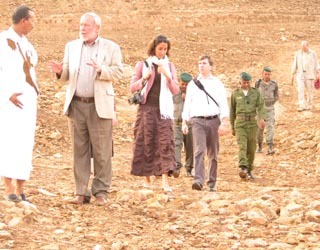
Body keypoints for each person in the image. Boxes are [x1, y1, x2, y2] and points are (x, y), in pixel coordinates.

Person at [49, 12, 123, 206]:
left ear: (97, 28)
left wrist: (101, 70)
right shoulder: (71, 47)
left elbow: (119, 71)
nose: (82, 28)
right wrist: (59, 72)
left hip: (99, 106)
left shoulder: (111, 47)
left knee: (102, 151)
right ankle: (81, 192)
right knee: (79, 150)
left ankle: (101, 192)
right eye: (81, 25)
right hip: (76, 104)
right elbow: (66, 74)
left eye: (87, 25)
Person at [130, 35, 179, 193]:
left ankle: (165, 181)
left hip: (163, 111)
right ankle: (147, 179)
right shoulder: (143, 64)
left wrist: (167, 76)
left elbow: (176, 90)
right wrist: (144, 79)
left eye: (165, 49)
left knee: (165, 143)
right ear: (154, 48)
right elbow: (133, 87)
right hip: (146, 109)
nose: (162, 52)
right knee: (146, 141)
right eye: (160, 49)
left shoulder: (169, 66)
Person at [0, 6, 39, 202]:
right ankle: (8, 188)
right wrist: (6, 94)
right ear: (23, 20)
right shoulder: (1, 41)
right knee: (9, 141)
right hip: (9, 101)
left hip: (28, 100)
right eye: (32, 20)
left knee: (25, 142)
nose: (34, 24)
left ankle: (21, 186)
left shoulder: (28, 45)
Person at [182, 55, 229, 192]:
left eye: (204, 63)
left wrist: (224, 122)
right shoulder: (193, 84)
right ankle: (198, 180)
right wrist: (185, 121)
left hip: (214, 120)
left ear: (211, 66)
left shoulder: (217, 83)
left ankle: (212, 182)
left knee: (213, 153)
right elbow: (188, 104)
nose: (201, 65)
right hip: (197, 121)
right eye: (199, 63)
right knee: (199, 150)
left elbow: (222, 103)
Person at [230, 72, 266, 180]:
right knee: (242, 146)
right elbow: (232, 111)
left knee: (251, 148)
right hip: (240, 123)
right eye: (244, 82)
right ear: (240, 82)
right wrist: (232, 126)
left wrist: (261, 118)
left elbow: (260, 106)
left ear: (250, 82)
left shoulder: (256, 93)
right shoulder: (235, 94)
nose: (245, 84)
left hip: (252, 123)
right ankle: (243, 167)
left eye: (247, 82)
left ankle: (249, 170)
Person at [173, 72, 194, 177]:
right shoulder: (173, 93)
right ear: (179, 82)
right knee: (176, 145)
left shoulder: (194, 95)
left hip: (190, 125)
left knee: (190, 147)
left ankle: (189, 169)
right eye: (183, 84)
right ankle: (177, 167)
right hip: (177, 124)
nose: (184, 87)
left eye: (187, 85)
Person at [255, 66, 279, 155]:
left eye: (268, 74)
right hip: (260, 109)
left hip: (270, 108)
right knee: (259, 128)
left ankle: (270, 145)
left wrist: (272, 101)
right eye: (265, 74)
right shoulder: (258, 83)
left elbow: (277, 95)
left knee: (270, 126)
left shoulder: (274, 84)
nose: (267, 76)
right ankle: (260, 145)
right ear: (262, 74)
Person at [291, 40, 319, 111]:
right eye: (302, 47)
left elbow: (316, 63)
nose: (303, 49)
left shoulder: (312, 53)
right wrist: (292, 74)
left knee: (310, 91)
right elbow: (295, 63)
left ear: (308, 46)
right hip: (300, 74)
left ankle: (309, 105)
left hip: (309, 74)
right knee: (300, 90)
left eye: (304, 47)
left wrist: (318, 73)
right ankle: (302, 105)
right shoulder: (298, 54)